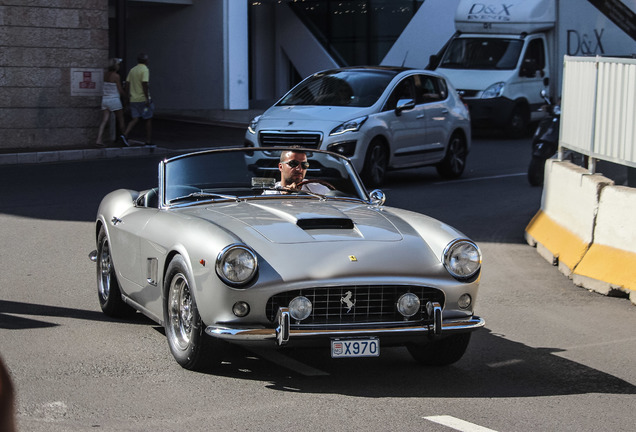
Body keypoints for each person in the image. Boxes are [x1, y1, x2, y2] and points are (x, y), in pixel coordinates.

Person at [265, 149, 331, 195]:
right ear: (280, 167)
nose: (299, 169)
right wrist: (283, 196)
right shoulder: (270, 193)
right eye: (293, 163)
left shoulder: (319, 190)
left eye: (304, 165)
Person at [122, 53, 153, 146]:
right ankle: (148, 140)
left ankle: (125, 134)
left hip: (133, 99)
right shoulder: (145, 69)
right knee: (148, 119)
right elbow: (145, 84)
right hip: (143, 99)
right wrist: (147, 98)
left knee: (135, 118)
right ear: (145, 61)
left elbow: (127, 84)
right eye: (147, 59)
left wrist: (127, 97)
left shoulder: (133, 70)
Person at [96, 58, 126, 147]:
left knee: (104, 120)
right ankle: (124, 137)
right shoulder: (116, 76)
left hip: (105, 99)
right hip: (114, 99)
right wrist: (126, 96)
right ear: (115, 66)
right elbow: (120, 90)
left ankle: (99, 139)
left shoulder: (105, 75)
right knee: (121, 119)